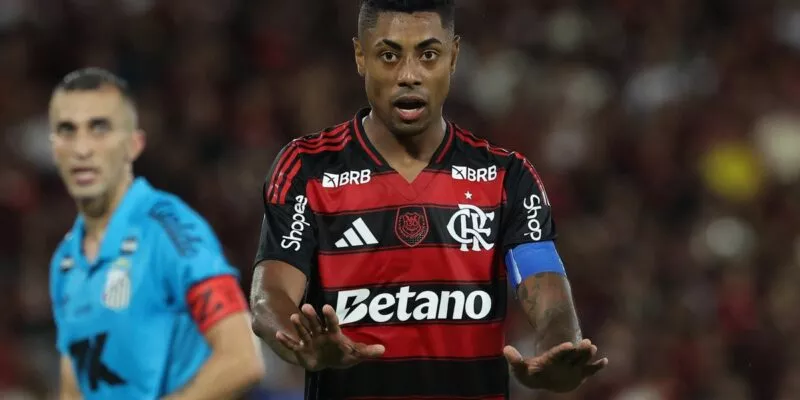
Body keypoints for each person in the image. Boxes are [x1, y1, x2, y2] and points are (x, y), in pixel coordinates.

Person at [250, 0, 608, 398]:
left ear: (453, 56)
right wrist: (300, 341)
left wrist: (559, 346)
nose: (409, 75)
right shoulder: (308, 169)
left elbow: (547, 288)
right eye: (389, 56)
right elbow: (270, 296)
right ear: (360, 57)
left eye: (428, 55)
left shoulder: (506, 177)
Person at [48, 68, 265, 399]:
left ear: (134, 144)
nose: (82, 148)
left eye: (99, 128)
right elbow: (73, 386)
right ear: (54, 148)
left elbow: (242, 359)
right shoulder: (65, 261)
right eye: (68, 130)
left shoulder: (169, 231)